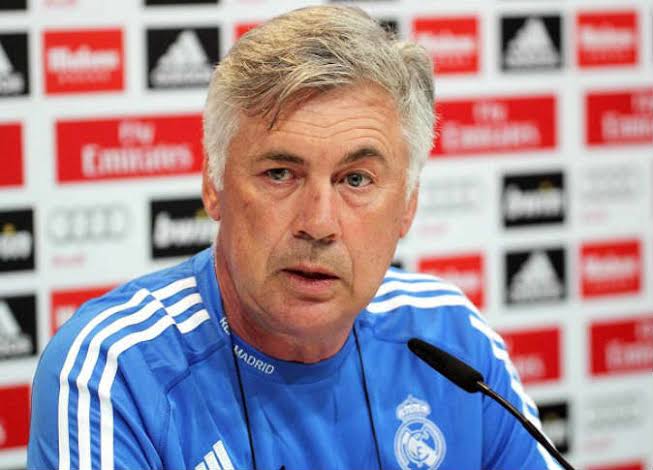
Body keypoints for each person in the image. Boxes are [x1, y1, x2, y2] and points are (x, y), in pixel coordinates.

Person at [28, 5, 559, 470]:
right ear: (214, 186)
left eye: (356, 180)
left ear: (408, 205)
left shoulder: (449, 335)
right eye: (280, 174)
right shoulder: (118, 371)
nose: (319, 223)